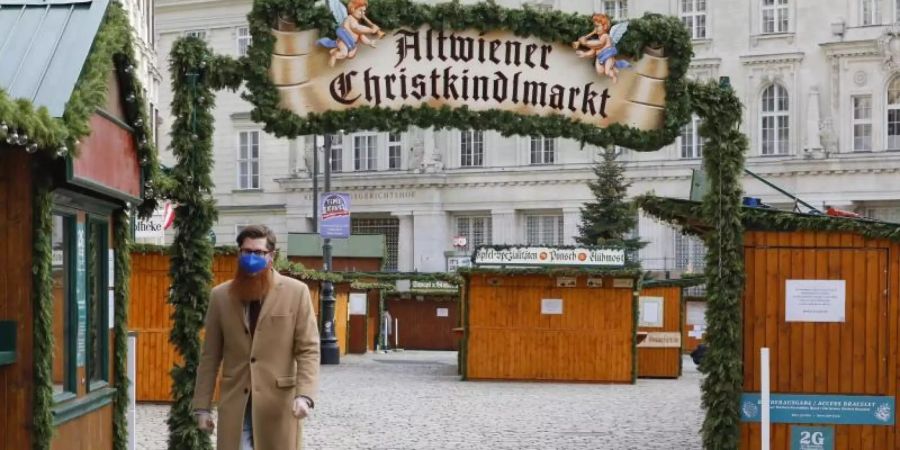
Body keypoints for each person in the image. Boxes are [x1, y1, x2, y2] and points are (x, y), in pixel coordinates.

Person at [192, 225, 320, 450]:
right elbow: (210, 356)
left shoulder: (296, 292)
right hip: (236, 403)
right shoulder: (220, 296)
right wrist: (202, 407)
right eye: (246, 251)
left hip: (278, 404)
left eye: (258, 252)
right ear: (239, 253)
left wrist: (305, 395)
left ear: (271, 256)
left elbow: (308, 348)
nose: (252, 257)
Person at [317, 0, 384, 67]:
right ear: (353, 9)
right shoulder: (350, 19)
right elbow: (357, 28)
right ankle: (334, 56)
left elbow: (361, 36)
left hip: (351, 43)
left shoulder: (355, 20)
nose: (363, 13)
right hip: (344, 41)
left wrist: (369, 42)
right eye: (360, 10)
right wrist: (371, 30)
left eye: (364, 11)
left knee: (351, 54)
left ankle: (335, 50)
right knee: (344, 54)